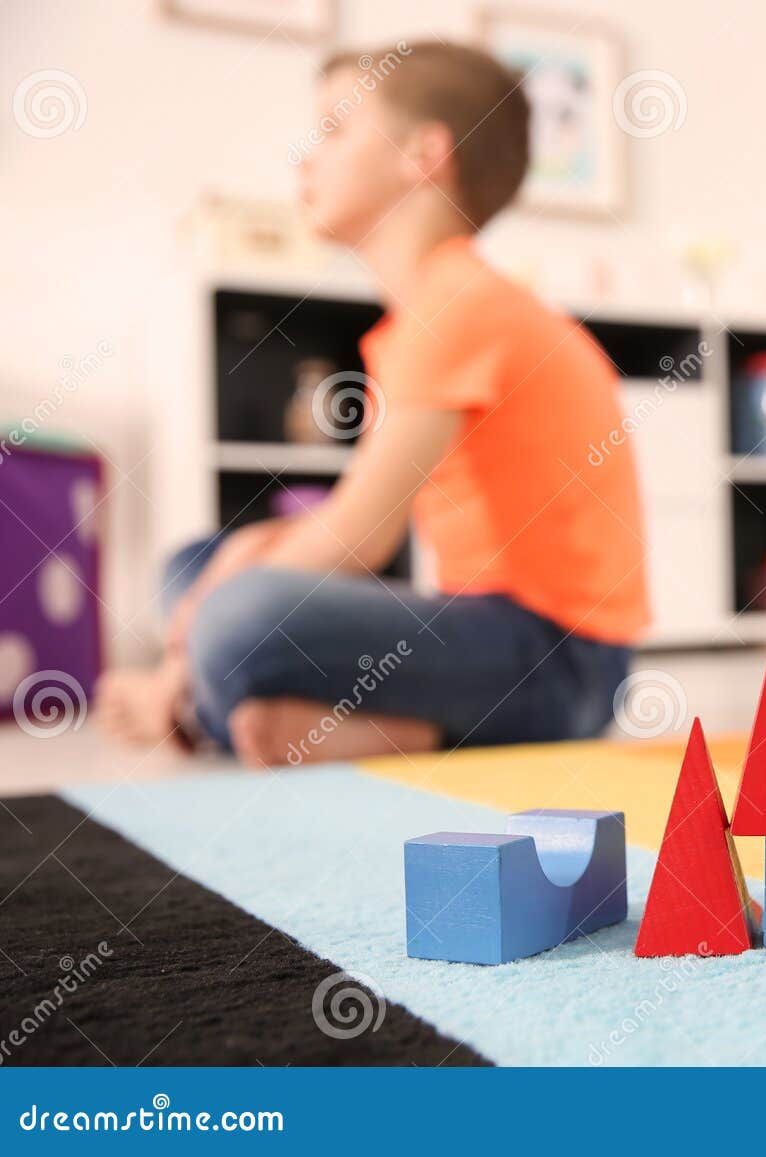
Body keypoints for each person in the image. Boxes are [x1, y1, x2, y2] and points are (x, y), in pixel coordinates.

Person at [96, 41, 649, 765]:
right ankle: (311, 721)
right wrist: (238, 555)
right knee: (193, 567)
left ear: (422, 156)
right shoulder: (424, 312)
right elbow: (346, 518)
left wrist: (177, 663)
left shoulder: (455, 302)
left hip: (565, 664)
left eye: (333, 129)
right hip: (496, 638)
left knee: (235, 618)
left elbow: (361, 535)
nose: (304, 156)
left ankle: (230, 706)